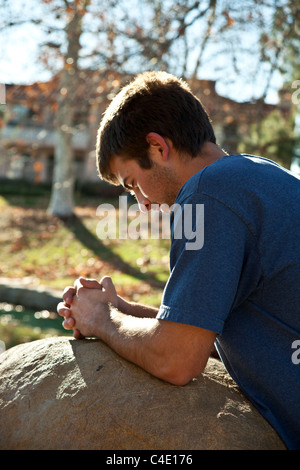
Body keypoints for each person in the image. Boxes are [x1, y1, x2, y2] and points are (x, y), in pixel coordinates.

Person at [57, 71, 300, 449]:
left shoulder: (208, 195)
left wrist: (98, 319)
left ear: (157, 147)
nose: (142, 202)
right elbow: (199, 333)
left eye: (133, 183)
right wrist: (122, 311)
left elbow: (177, 360)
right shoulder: (257, 176)